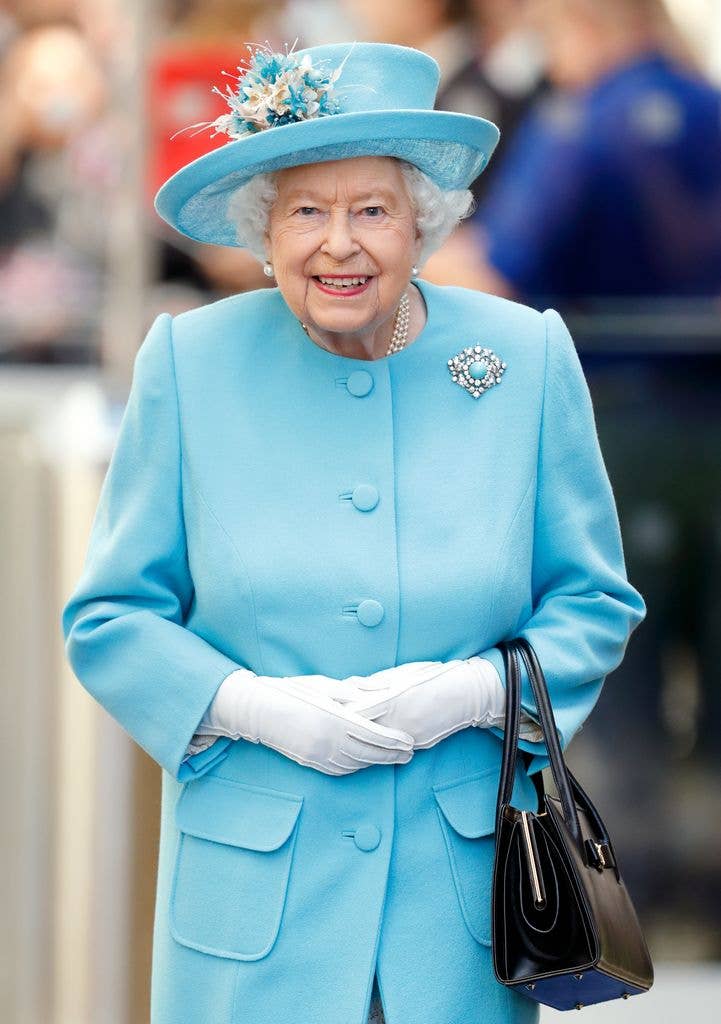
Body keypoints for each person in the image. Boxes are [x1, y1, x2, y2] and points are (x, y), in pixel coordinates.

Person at [60, 41, 646, 1024]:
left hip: (457, 916)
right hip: (254, 912)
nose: (340, 244)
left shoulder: (523, 356)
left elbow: (592, 602)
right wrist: (251, 707)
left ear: (423, 222)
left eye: (371, 210)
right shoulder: (190, 361)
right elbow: (110, 617)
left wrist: (472, 693)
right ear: (263, 229)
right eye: (306, 212)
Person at [423, 0, 721, 301]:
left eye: (547, 35)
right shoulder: (711, 105)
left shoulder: (576, 123)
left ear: (583, 26)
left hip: (589, 330)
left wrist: (415, 253)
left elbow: (493, 278)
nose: (550, 65)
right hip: (704, 329)